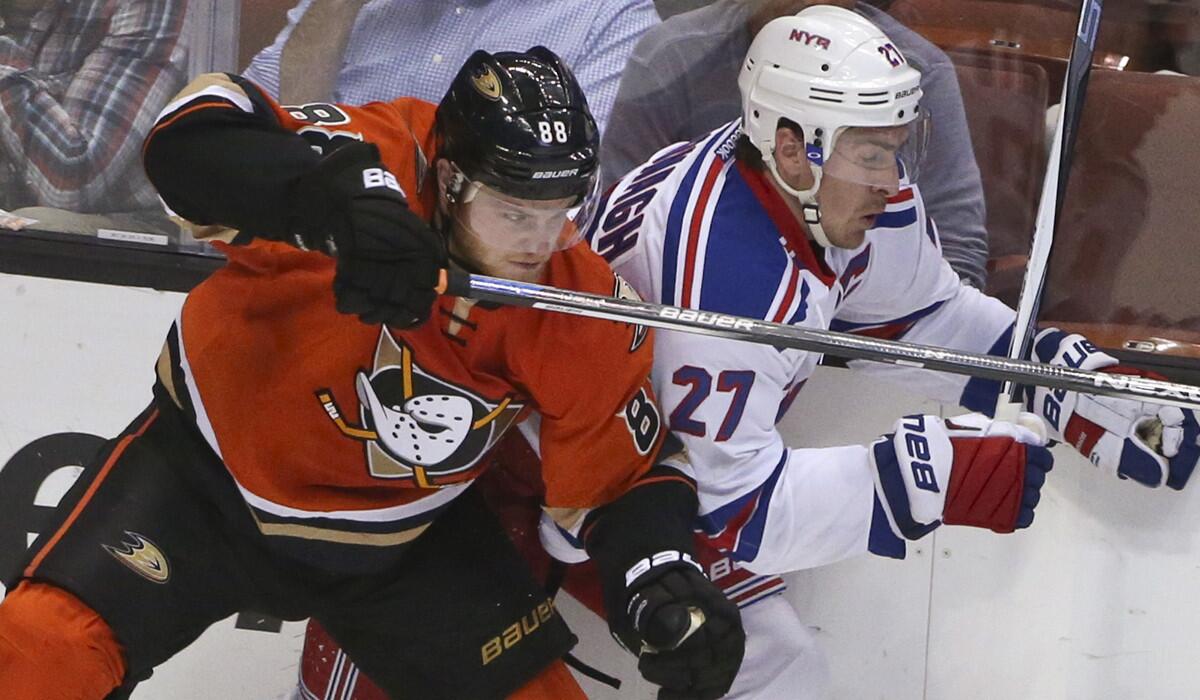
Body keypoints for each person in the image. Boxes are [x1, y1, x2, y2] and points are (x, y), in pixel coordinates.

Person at [0, 47, 746, 700]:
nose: (538, 241)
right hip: (202, 480)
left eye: (559, 209)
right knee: (41, 650)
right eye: (514, 210)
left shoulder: (574, 301)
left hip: (403, 541)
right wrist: (325, 200)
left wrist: (659, 574)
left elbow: (617, 478)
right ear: (449, 177)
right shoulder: (374, 157)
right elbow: (188, 135)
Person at [574, 6, 1199, 696]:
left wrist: (1050, 375)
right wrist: (922, 479)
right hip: (561, 481)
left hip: (653, 455)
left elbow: (926, 314)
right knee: (770, 671)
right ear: (790, 148)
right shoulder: (721, 280)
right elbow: (736, 511)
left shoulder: (826, 189)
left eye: (895, 146)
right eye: (870, 153)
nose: (892, 177)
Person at [600, 0, 991, 289]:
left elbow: (958, 255)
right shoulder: (673, 56)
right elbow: (613, 231)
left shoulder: (917, 73)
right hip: (690, 323)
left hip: (860, 351)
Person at [241, 0, 659, 131]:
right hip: (299, 270)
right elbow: (253, 121)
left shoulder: (612, 16)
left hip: (467, 304)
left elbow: (570, 208)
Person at [0, 0, 187, 236]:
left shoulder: (143, 5)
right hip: (13, 205)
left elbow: (70, 184)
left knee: (33, 229)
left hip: (129, 227)